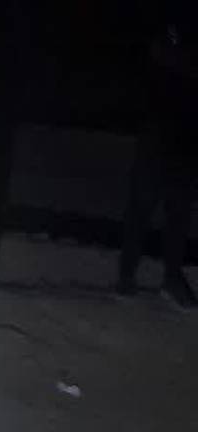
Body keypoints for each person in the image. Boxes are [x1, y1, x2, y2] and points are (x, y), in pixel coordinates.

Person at [118, 16, 198, 308]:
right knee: (142, 207)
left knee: (179, 213)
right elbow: (155, 58)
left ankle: (171, 278)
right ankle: (126, 275)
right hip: (157, 135)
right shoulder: (166, 34)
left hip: (184, 139)